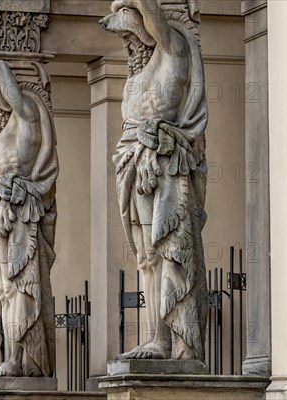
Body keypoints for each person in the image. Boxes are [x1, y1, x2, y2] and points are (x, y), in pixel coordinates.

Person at [100, 0, 209, 360]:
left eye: (132, 35)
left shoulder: (174, 51)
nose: (129, 45)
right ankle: (155, 338)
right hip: (133, 166)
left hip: (165, 165)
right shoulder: (133, 80)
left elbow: (156, 21)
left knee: (171, 250)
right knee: (146, 256)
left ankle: (180, 343)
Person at [0, 60, 59, 377]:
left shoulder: (27, 116)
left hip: (19, 213)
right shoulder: (0, 131)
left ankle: (25, 361)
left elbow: (13, 93)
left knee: (21, 287)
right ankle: (13, 357)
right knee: (5, 291)